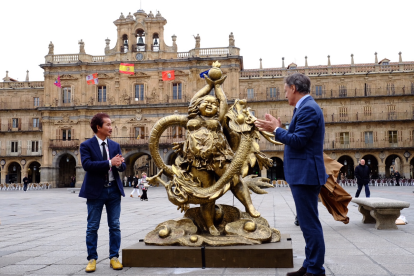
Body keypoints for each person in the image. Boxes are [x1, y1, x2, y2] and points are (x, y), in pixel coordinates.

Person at [255, 73, 328, 276]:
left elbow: (298, 141)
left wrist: (277, 129)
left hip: (306, 175)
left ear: (294, 88)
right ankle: (310, 264)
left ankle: (315, 270)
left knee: (309, 223)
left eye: (285, 90)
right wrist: (279, 128)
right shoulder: (304, 108)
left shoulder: (309, 109)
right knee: (306, 223)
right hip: (304, 174)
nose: (285, 94)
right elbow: (298, 136)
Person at [79, 113, 126, 273]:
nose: (111, 127)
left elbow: (121, 167)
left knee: (115, 225)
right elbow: (87, 165)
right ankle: (92, 259)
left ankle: (114, 257)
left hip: (113, 190)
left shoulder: (114, 145)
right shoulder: (86, 145)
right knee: (92, 226)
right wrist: (109, 163)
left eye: (111, 124)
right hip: (95, 191)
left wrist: (119, 164)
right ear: (98, 127)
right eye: (107, 124)